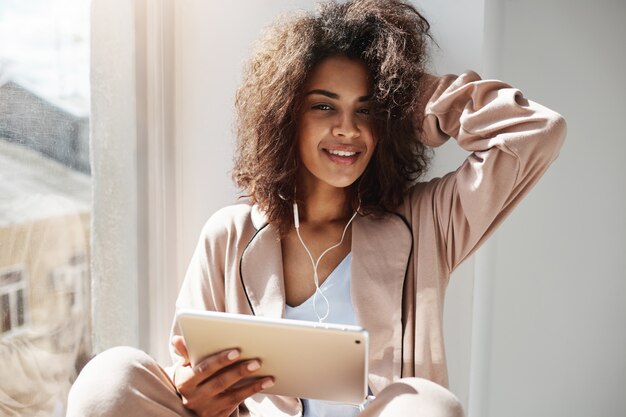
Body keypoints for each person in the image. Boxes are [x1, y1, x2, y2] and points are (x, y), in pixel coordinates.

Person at [66, 0, 566, 416]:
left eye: (364, 109)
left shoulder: (426, 223)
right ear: (287, 113)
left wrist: (406, 96)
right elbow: (185, 367)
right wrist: (194, 393)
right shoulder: (231, 234)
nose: (348, 129)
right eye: (325, 105)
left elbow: (536, 133)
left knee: (425, 406)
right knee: (109, 381)